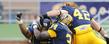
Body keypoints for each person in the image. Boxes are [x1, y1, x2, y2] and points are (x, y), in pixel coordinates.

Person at [42, 2, 108, 44]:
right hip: (91, 34)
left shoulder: (67, 8)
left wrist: (45, 15)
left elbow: (58, 12)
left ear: (68, 5)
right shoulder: (85, 12)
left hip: (78, 35)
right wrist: (105, 36)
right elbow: (97, 27)